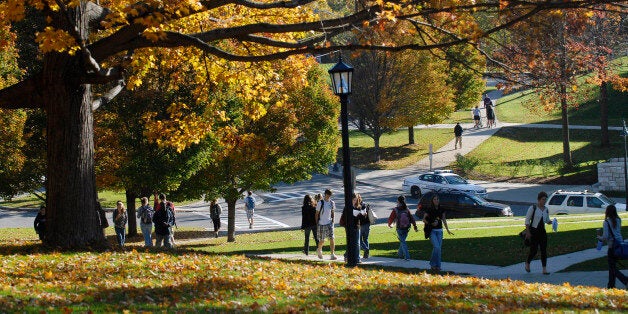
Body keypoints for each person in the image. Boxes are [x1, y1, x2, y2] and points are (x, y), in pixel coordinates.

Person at [597, 205, 628, 289]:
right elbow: (617, 232)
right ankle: (611, 286)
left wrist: (599, 237)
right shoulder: (619, 220)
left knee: (612, 268)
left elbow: (606, 236)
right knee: (612, 266)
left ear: (607, 212)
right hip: (619, 245)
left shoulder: (606, 222)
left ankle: (625, 280)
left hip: (612, 247)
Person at [524, 191, 552, 274]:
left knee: (544, 250)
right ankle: (527, 263)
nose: (544, 201)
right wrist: (528, 232)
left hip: (542, 232)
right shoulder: (533, 208)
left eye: (545, 200)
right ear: (539, 200)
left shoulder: (546, 209)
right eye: (543, 199)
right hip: (533, 231)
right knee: (534, 250)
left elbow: (546, 220)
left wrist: (551, 222)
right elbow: (527, 221)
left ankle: (544, 269)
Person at [423, 193, 453, 271]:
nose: (436, 201)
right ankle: (432, 264)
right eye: (434, 199)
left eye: (437, 199)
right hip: (432, 231)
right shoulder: (429, 209)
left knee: (438, 249)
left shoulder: (441, 209)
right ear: (432, 201)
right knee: (436, 247)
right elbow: (424, 219)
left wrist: (447, 230)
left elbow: (444, 220)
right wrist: (431, 223)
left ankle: (438, 266)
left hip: (440, 231)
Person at [388, 195, 418, 261]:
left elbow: (391, 218)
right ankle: (400, 254)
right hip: (407, 228)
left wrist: (390, 224)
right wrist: (415, 226)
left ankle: (407, 257)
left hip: (399, 228)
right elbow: (411, 218)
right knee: (403, 241)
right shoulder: (406, 209)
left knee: (403, 242)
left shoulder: (395, 209)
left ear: (398, 201)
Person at [315, 189, 337, 260]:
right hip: (321, 224)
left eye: (330, 195)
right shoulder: (320, 203)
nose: (328, 196)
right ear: (325, 194)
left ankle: (332, 254)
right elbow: (317, 214)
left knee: (332, 238)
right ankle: (319, 250)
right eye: (327, 195)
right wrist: (317, 223)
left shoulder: (332, 203)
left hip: (329, 223)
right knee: (322, 240)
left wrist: (333, 221)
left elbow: (333, 212)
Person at [356, 194, 371, 259]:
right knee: (366, 239)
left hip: (361, 224)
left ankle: (365, 249)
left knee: (359, 239)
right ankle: (366, 254)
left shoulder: (358, 206)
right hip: (367, 224)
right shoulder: (365, 205)